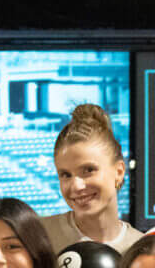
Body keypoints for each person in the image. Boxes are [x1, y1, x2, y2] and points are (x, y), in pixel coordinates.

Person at [41, 104, 143, 255]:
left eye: (88, 170)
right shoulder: (38, 237)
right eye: (66, 175)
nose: (76, 186)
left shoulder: (142, 250)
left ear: (119, 172)